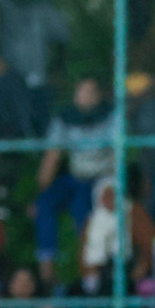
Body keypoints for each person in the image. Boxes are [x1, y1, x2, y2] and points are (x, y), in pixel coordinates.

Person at [34, 77, 114, 283]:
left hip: (101, 179)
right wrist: (41, 191)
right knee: (44, 204)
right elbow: (52, 156)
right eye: (82, 92)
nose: (86, 97)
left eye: (91, 92)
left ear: (99, 95)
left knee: (82, 208)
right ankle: (47, 272)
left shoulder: (111, 116)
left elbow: (118, 156)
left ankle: (90, 274)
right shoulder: (65, 118)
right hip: (75, 178)